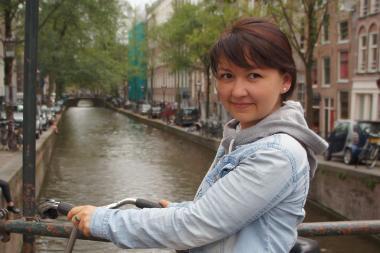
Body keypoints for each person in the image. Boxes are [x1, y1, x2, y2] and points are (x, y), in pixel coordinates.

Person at [67, 18, 328, 252]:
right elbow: (226, 216)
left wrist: (103, 220)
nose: (237, 91)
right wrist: (179, 210)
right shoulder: (243, 137)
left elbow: (197, 225)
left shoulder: (276, 153)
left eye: (254, 75)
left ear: (285, 81)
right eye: (227, 75)